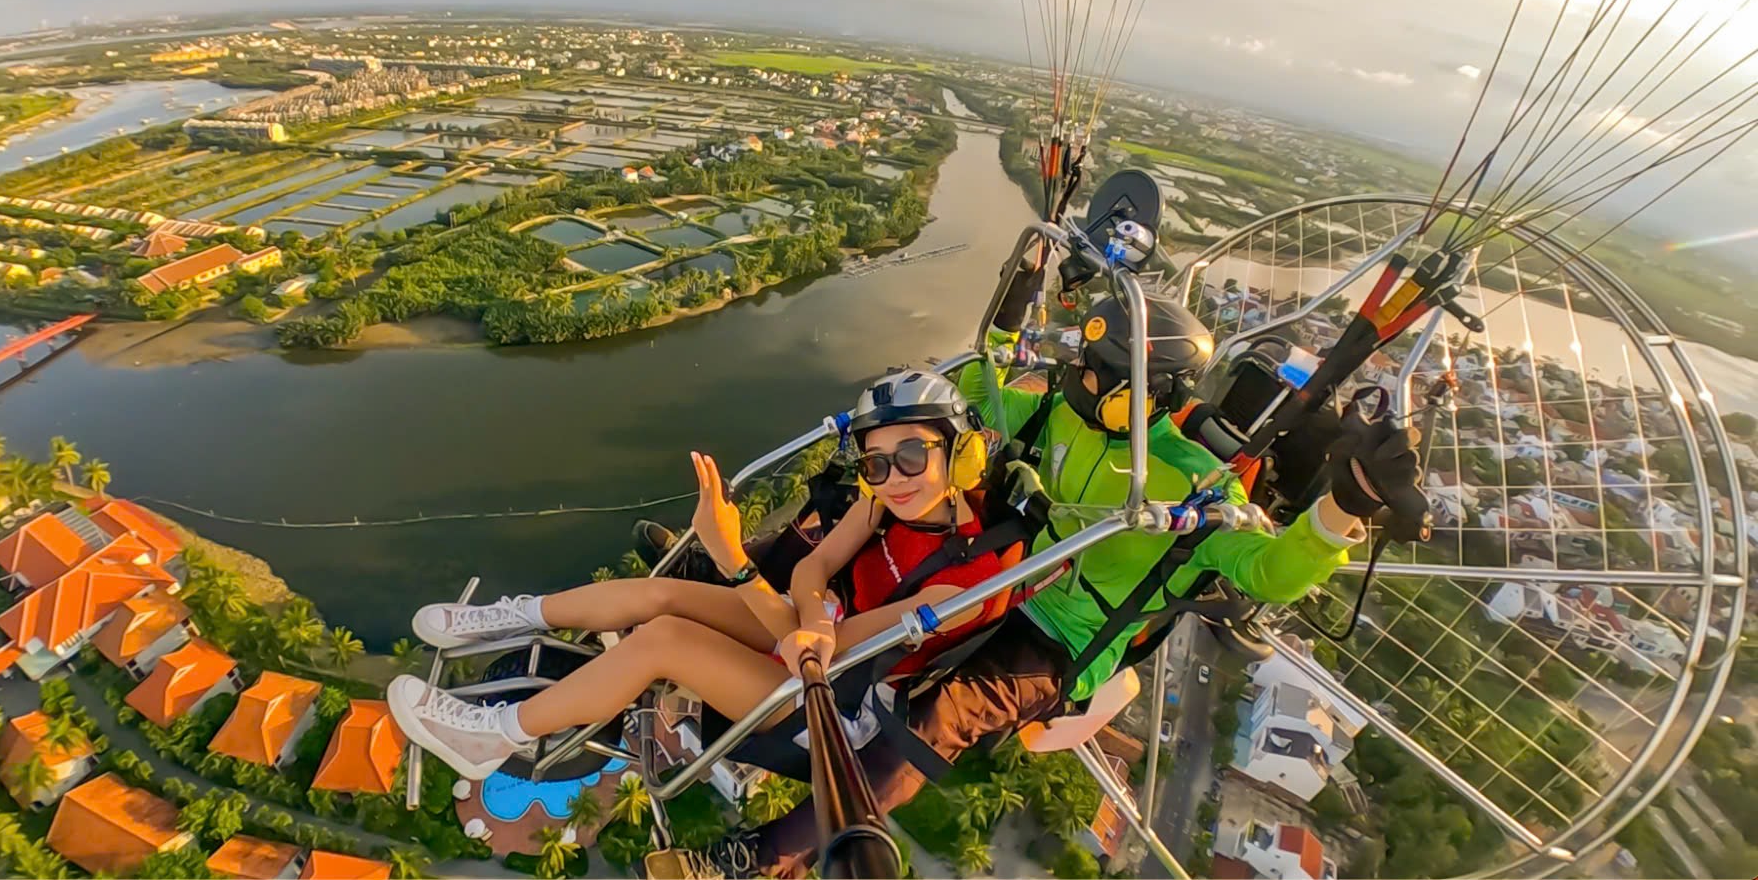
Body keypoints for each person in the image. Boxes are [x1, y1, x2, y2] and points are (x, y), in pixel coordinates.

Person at [698, 288, 1427, 879]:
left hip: (1058, 632)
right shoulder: (1057, 409)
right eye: (1084, 362)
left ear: (1148, 392)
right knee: (850, 516)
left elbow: (1268, 569)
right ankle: (720, 570)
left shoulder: (1192, 481)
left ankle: (769, 856)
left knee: (940, 717)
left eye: (1100, 374)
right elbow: (973, 403)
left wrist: (1344, 507)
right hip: (999, 570)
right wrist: (1012, 305)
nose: (1081, 379)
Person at [386, 371, 1029, 782]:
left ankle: (495, 736)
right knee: (663, 595)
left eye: (912, 453)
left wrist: (736, 562)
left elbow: (822, 656)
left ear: (959, 452)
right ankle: (514, 617)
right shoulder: (882, 501)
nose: (893, 477)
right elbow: (813, 567)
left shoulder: (963, 585)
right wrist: (811, 613)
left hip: (831, 704)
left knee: (665, 638)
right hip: (818, 638)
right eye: (877, 463)